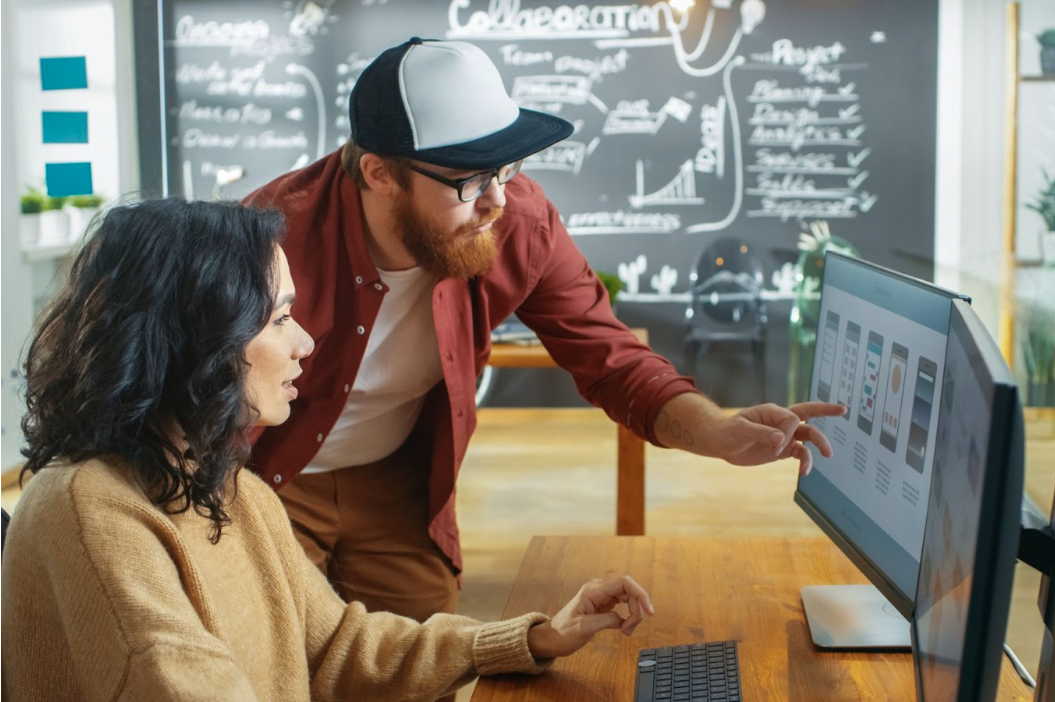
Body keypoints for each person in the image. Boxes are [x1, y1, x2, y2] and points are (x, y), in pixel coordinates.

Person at [244, 36, 847, 624]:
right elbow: (189, 399)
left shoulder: (517, 222)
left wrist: (713, 430)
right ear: (379, 173)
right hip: (268, 476)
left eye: (506, 169)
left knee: (420, 662)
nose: (497, 201)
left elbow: (612, 358)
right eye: (469, 181)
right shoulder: (267, 238)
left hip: (400, 479)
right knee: (276, 656)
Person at [1, 199, 654, 701]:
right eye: (281, 318)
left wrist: (535, 637)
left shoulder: (229, 488)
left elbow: (337, 644)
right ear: (199, 338)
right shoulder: (89, 509)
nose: (305, 343)